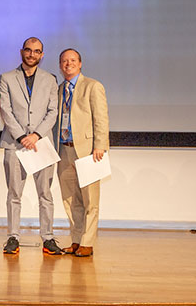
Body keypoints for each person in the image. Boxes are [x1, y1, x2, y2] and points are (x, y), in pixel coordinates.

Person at [0, 37, 62, 255]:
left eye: (37, 51)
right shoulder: (6, 78)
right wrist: (21, 136)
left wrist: (35, 135)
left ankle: (48, 237)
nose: (32, 54)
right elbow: (5, 110)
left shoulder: (50, 79)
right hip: (15, 144)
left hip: (41, 144)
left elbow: (53, 111)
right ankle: (13, 237)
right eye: (28, 50)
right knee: (14, 194)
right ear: (21, 52)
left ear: (42, 55)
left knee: (45, 194)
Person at [55, 48, 109, 257]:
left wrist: (100, 145)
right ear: (60, 65)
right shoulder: (59, 89)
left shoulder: (92, 86)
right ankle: (76, 239)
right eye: (64, 61)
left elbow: (101, 118)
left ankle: (88, 241)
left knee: (90, 199)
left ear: (80, 64)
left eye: (73, 60)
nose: (68, 64)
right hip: (64, 149)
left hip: (88, 151)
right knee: (70, 199)